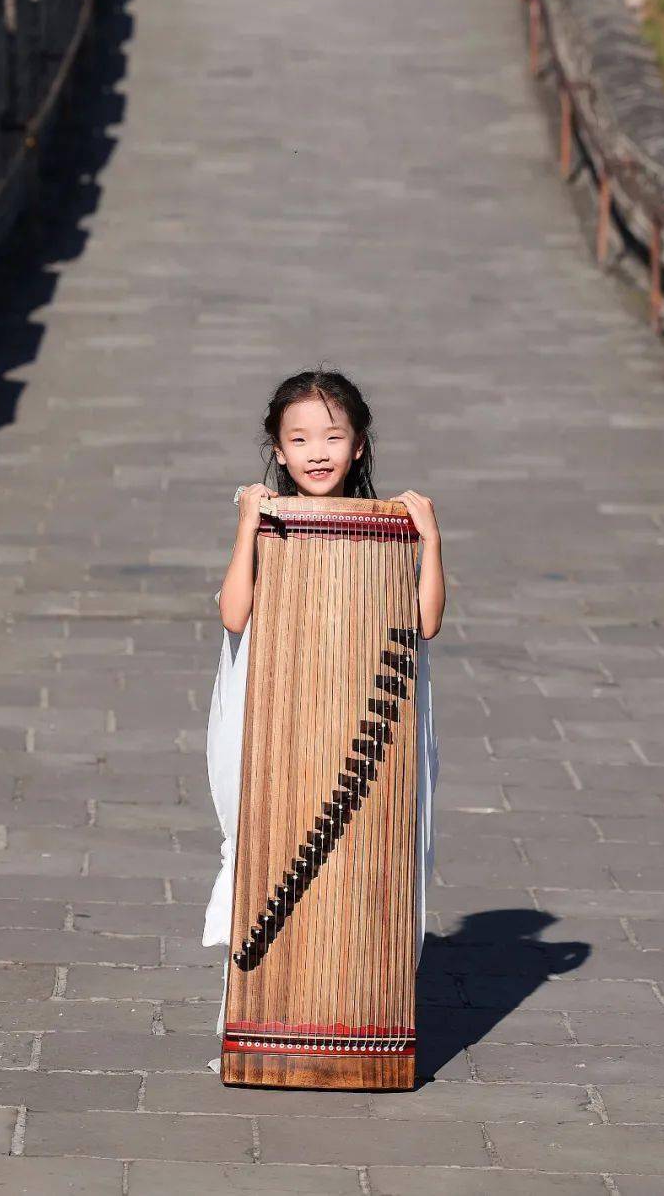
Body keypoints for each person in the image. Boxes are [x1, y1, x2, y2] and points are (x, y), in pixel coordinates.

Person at [201, 368, 442, 1068]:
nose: (316, 452)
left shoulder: (388, 526)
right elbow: (234, 614)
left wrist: (430, 539)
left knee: (366, 864)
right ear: (277, 448)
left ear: (359, 446)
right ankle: (257, 1022)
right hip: (279, 714)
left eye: (332, 438)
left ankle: (358, 1016)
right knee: (268, 850)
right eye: (299, 438)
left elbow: (425, 622)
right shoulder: (270, 517)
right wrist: (249, 523)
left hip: (360, 712)